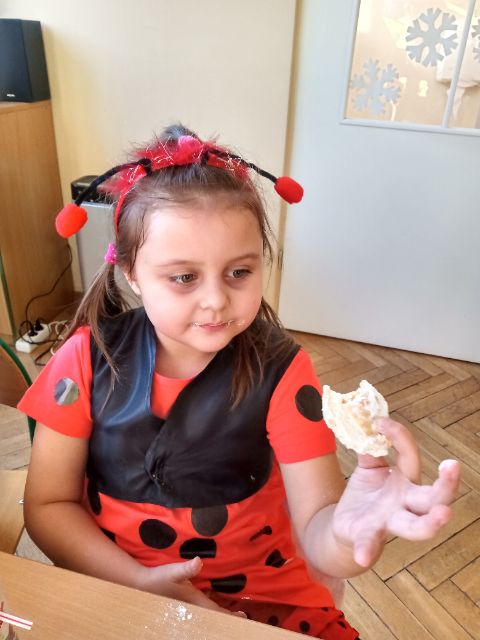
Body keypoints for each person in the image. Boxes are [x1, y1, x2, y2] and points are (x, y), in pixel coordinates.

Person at [18, 124, 460, 640]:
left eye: (239, 273)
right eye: (184, 277)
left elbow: (321, 538)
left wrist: (349, 529)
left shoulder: (283, 371)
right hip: (119, 588)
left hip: (264, 600)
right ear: (132, 273)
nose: (216, 300)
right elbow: (47, 506)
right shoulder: (84, 360)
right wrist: (137, 582)